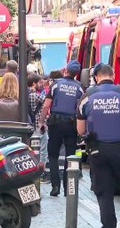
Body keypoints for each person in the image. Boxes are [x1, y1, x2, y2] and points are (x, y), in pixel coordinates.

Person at [76, 63, 120, 227]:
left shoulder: (86, 97)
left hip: (97, 152)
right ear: (113, 76)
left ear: (96, 77)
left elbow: (80, 129)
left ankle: (108, 225)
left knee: (104, 193)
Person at [39, 60, 84, 196]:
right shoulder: (80, 87)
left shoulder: (56, 85)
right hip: (71, 124)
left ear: (66, 70)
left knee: (53, 154)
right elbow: (81, 108)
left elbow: (46, 105)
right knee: (70, 156)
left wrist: (41, 121)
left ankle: (55, 186)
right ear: (76, 74)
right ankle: (68, 187)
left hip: (55, 123)